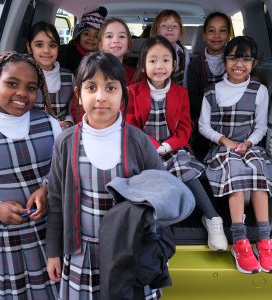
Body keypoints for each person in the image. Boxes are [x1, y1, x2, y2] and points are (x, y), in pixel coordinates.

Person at [46, 51, 171, 299]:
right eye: (91, 87)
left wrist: (158, 250)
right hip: (82, 253)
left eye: (111, 88)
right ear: (78, 95)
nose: (101, 97)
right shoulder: (66, 142)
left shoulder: (139, 142)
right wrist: (53, 252)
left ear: (123, 95)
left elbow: (163, 196)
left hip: (129, 253)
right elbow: (56, 200)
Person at [127, 36, 228, 251]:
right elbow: (131, 126)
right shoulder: (133, 92)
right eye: (153, 61)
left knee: (182, 165)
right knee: (149, 174)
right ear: (144, 65)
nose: (159, 66)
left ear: (174, 65)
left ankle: (212, 218)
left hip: (173, 147)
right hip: (143, 148)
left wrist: (168, 146)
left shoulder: (180, 93)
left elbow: (184, 128)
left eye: (165, 60)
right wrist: (154, 146)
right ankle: (149, 230)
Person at [199, 36, 272, 274]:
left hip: (249, 145)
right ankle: (240, 240)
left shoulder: (259, 90)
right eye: (234, 57)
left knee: (257, 168)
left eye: (246, 59)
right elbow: (204, 126)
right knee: (234, 169)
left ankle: (264, 240)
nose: (239, 64)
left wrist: (247, 142)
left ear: (254, 63)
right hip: (222, 148)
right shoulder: (212, 92)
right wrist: (225, 141)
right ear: (224, 61)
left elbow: (261, 126)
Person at [0, 51, 61, 299]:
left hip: (46, 240)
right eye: (11, 83)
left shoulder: (49, 124)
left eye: (31, 87)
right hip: (3, 246)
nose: (22, 93)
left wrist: (47, 190)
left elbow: (62, 172)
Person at [188, 12, 231, 160]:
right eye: (211, 31)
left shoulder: (236, 62)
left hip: (231, 118)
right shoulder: (195, 65)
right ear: (204, 36)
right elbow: (193, 96)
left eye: (222, 30)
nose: (217, 35)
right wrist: (211, 113)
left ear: (229, 35)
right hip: (204, 118)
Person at [26, 21, 74, 129]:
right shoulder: (24, 76)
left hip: (63, 133)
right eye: (39, 45)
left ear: (58, 48)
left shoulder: (68, 76)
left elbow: (72, 109)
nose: (46, 50)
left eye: (52, 45)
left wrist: (68, 122)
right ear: (29, 47)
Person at [58, 6, 107, 75]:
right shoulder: (64, 52)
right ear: (79, 35)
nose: (91, 38)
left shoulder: (103, 59)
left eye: (96, 36)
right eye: (86, 34)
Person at [150, 9, 189, 87]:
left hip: (177, 94)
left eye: (174, 26)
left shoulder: (183, 53)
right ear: (156, 31)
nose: (170, 28)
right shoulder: (149, 51)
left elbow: (185, 79)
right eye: (164, 25)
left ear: (180, 33)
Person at [98, 17, 136, 85]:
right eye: (109, 36)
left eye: (121, 36)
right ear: (100, 46)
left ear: (128, 47)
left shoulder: (135, 76)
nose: (115, 41)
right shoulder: (90, 72)